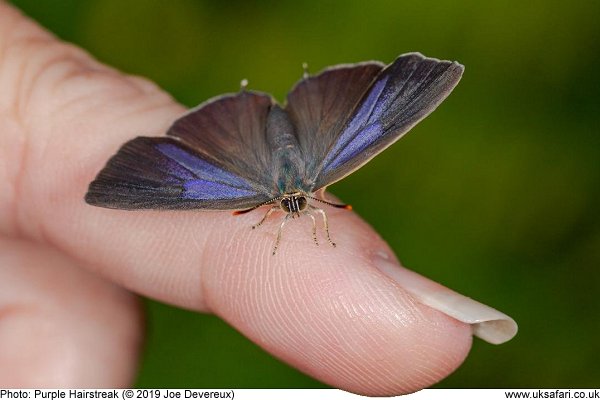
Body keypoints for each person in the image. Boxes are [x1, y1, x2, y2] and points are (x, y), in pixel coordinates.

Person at [0, 2, 515, 395]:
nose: (300, 209)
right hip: (319, 139)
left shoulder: (265, 194)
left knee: (197, 190)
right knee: (365, 133)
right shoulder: (309, 184)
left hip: (247, 148)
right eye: (298, 207)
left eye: (300, 207)